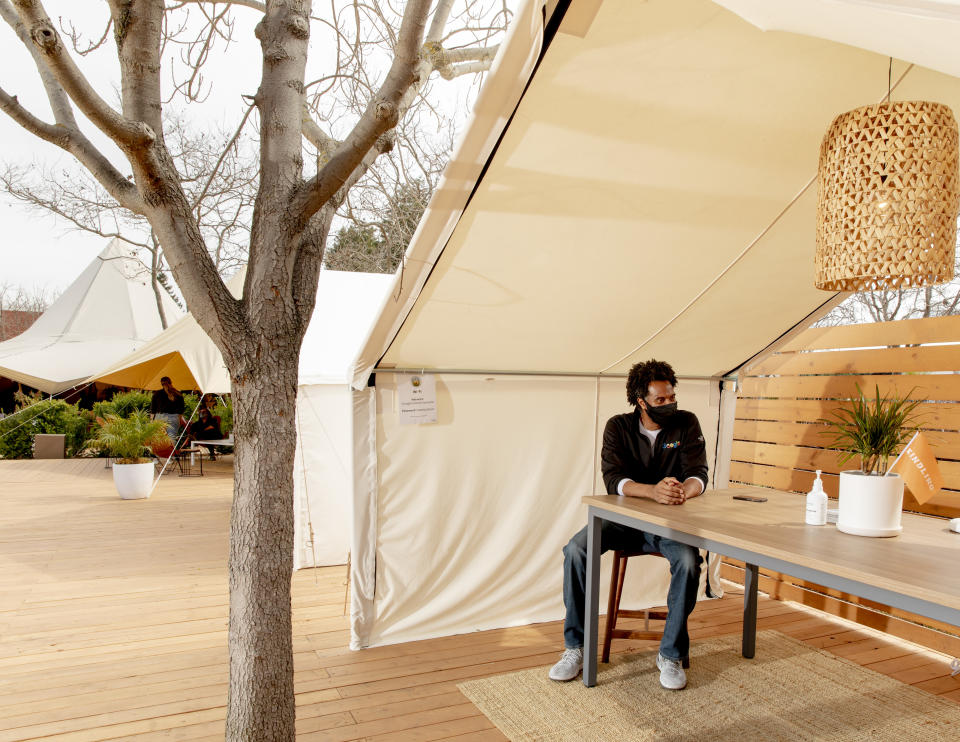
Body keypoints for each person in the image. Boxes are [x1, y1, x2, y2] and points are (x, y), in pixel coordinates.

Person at [549, 359, 708, 691]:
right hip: (621, 522)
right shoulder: (617, 426)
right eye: (660, 400)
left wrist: (681, 492)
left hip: (667, 523)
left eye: (671, 397)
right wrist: (653, 491)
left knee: (690, 562)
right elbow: (613, 480)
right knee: (576, 550)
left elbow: (698, 474)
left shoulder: (686, 424)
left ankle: (671, 654)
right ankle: (575, 649)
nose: (669, 404)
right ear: (641, 401)